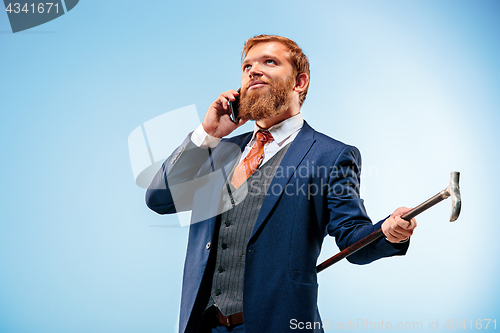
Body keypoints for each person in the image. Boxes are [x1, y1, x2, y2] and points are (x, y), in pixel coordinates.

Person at [146, 35, 417, 333]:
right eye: (247, 65)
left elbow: (353, 238)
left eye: (269, 62)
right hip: (203, 326)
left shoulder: (331, 156)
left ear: (299, 82)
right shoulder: (219, 151)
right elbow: (159, 199)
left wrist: (389, 233)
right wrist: (207, 133)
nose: (253, 70)